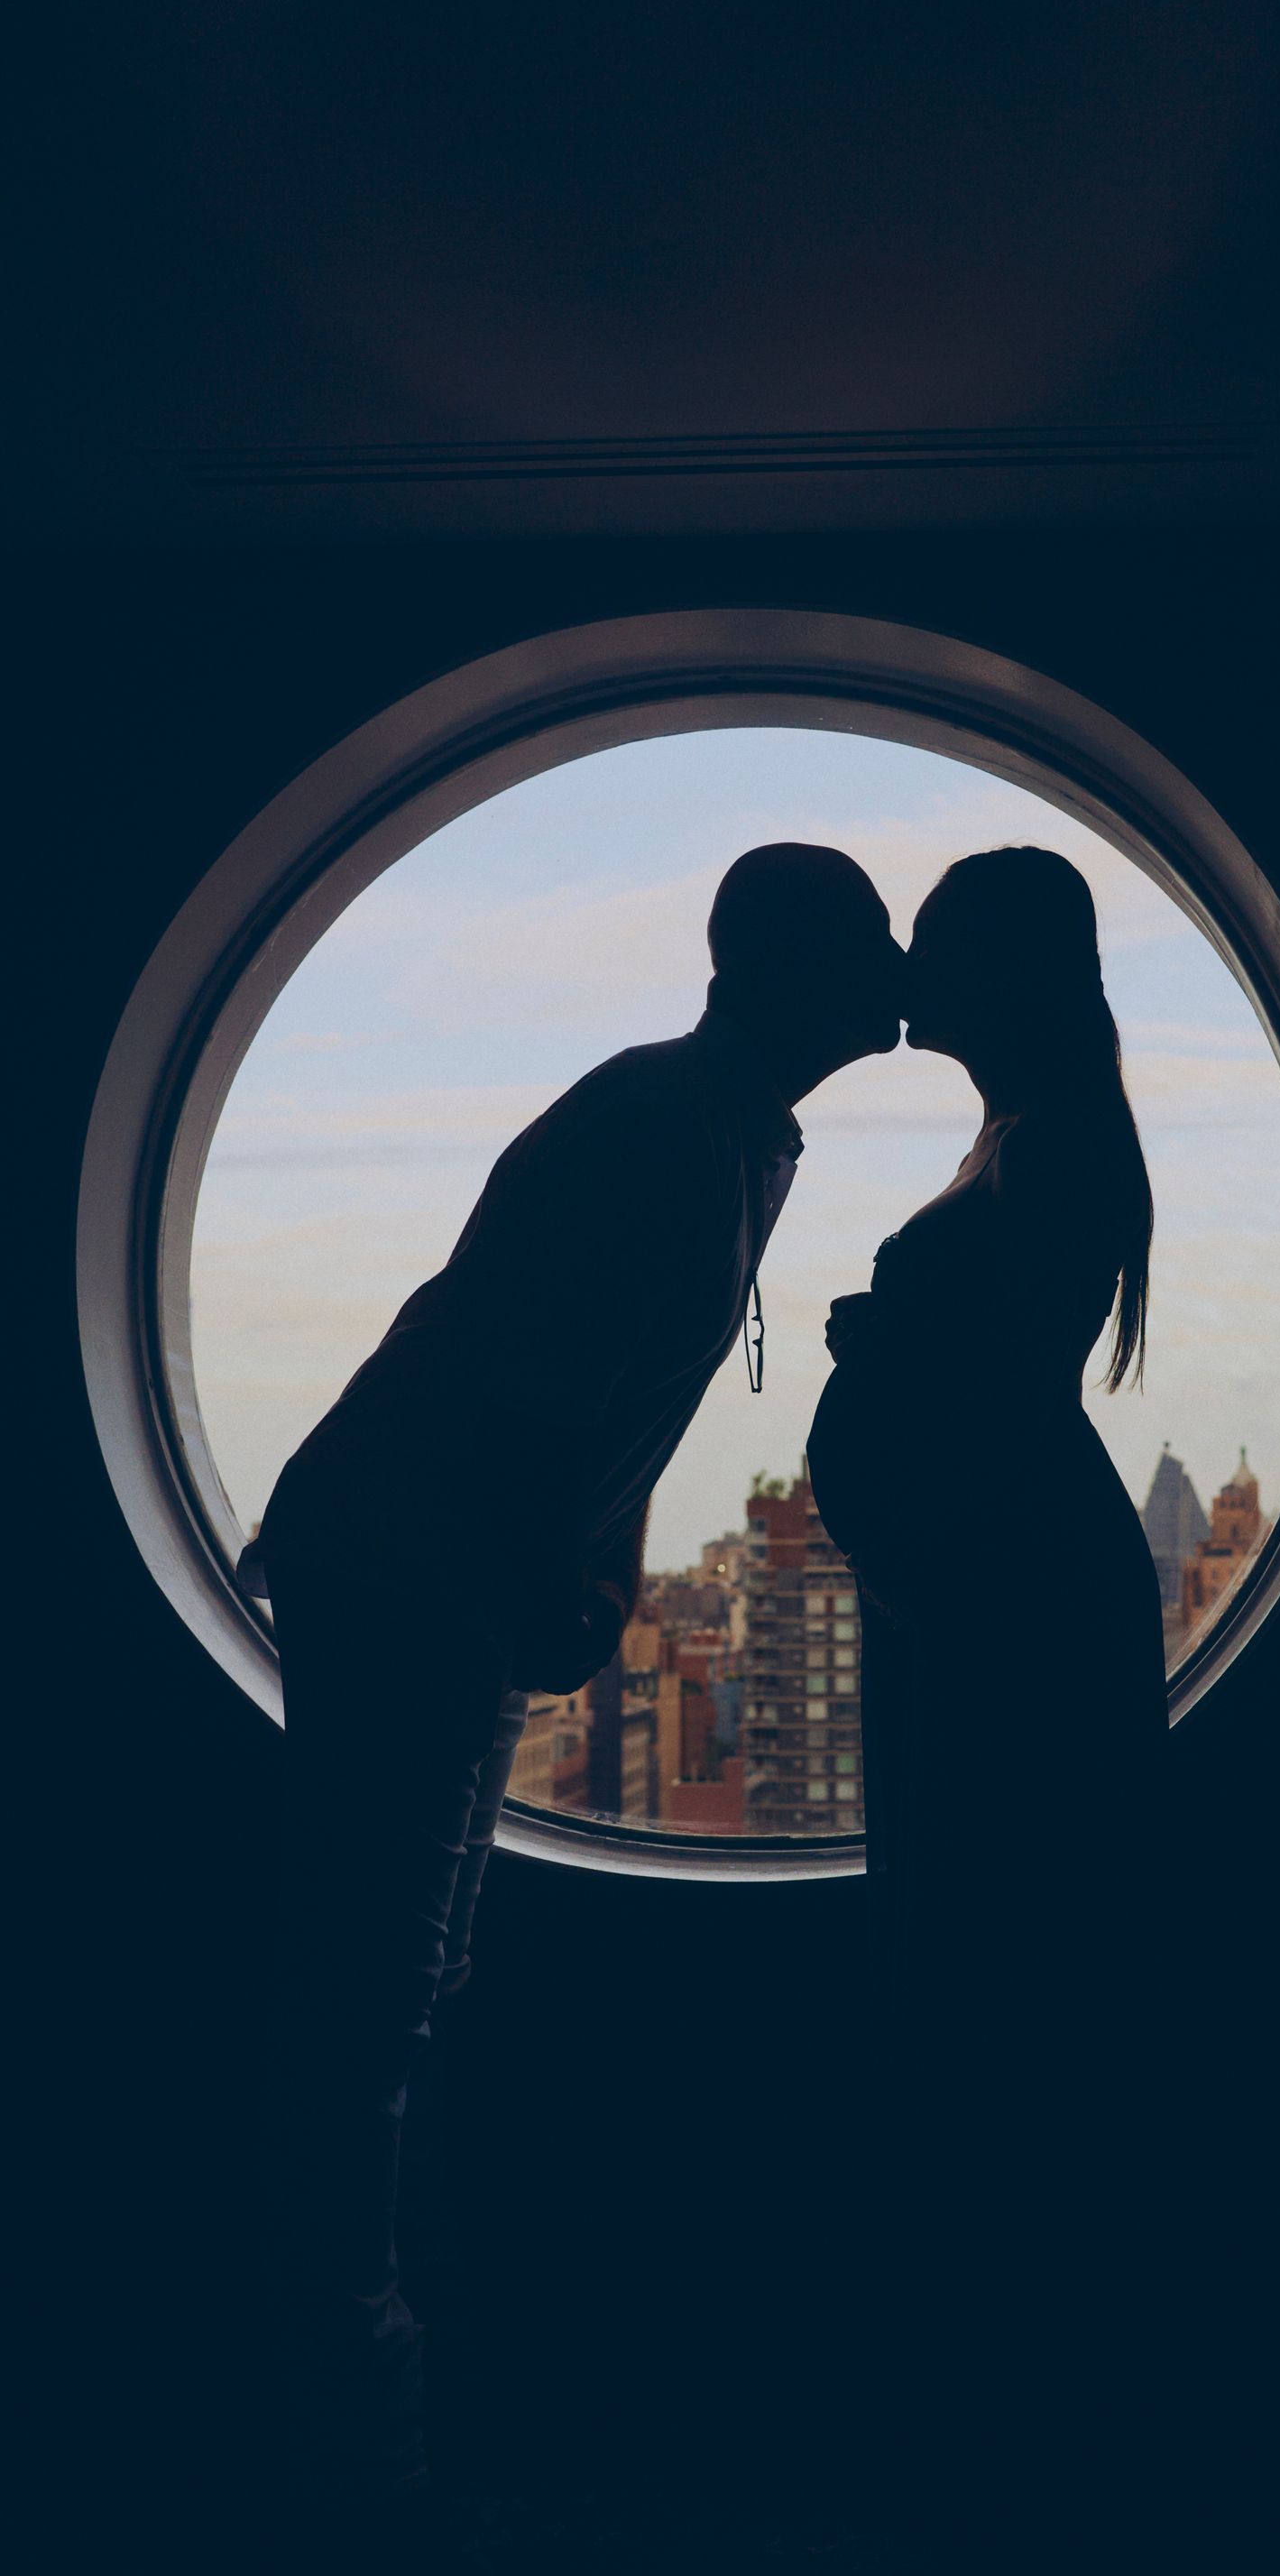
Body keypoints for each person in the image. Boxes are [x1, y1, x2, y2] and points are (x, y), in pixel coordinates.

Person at [247, 842, 904, 2525]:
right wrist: (568, 1590)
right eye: (870, 951)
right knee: (373, 2005)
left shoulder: (701, 1118)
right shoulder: (681, 1136)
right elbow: (541, 1406)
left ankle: (388, 2408)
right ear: (797, 970)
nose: (896, 980)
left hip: (413, 1576)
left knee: (400, 1987)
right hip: (422, 1586)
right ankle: (360, 2445)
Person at [805, 844, 1168, 2539]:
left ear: (1001, 971)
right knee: (997, 1966)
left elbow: (991, 1392)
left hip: (1013, 1615)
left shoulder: (1053, 1145)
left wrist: (874, 1345)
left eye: (933, 944)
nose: (903, 965)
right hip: (999, 1601)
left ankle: (1007, 2428)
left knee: (1004, 1969)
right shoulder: (1025, 1136)